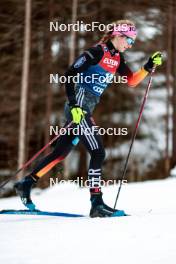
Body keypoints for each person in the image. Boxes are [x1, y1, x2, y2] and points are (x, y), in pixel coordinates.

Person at [14, 19, 162, 217]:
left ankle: (26, 183)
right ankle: (96, 203)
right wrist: (74, 106)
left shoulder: (117, 58)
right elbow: (69, 74)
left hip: (86, 109)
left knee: (60, 153)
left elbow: (132, 81)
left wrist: (148, 65)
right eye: (129, 40)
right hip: (79, 107)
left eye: (133, 42)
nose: (130, 44)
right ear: (117, 35)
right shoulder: (96, 52)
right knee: (98, 153)